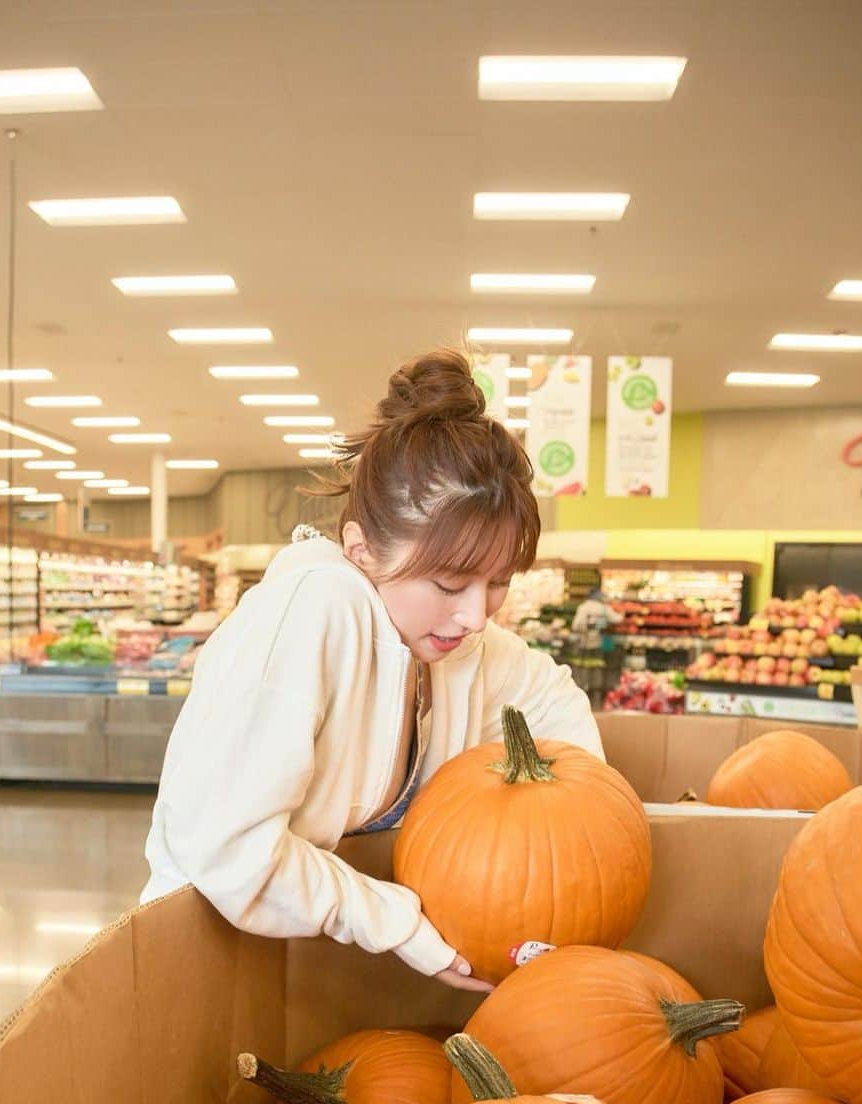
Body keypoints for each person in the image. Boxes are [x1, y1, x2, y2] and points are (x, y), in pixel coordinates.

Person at [141, 349, 603, 991]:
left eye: (497, 583)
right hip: (203, 964)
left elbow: (551, 695)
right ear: (362, 549)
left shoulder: (457, 642)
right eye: (448, 583)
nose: (475, 615)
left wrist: (582, 833)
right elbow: (226, 846)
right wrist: (400, 924)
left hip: (309, 976)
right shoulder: (310, 616)